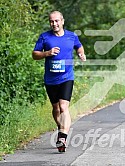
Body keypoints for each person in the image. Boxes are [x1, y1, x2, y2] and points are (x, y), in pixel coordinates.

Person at [32, 11, 86, 152]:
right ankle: (62, 127)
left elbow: (79, 45)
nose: (54, 24)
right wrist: (47, 53)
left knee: (63, 107)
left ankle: (62, 137)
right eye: (51, 21)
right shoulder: (44, 37)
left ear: (62, 21)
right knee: (56, 109)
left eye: (57, 21)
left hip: (67, 77)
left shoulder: (71, 36)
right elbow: (35, 54)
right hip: (50, 79)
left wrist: (81, 53)